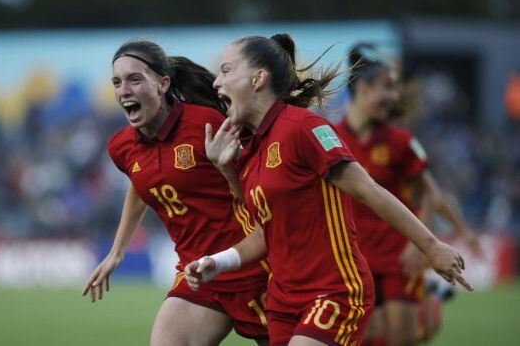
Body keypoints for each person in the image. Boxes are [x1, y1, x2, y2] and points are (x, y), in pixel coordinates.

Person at [183, 34, 472, 346]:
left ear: (258, 78)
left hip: (335, 291)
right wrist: (220, 260)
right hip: (281, 302)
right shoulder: (250, 149)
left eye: (226, 71)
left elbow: (369, 191)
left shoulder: (304, 128)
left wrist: (430, 246)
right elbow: (267, 232)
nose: (216, 83)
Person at [81, 39, 270, 346]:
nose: (123, 90)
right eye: (116, 82)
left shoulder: (206, 123)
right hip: (198, 274)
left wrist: (226, 168)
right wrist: (117, 251)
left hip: (252, 267)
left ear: (163, 84)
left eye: (134, 79)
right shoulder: (121, 147)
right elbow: (142, 185)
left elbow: (258, 184)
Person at [335, 44, 483, 346]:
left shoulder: (401, 141)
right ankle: (431, 302)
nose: (394, 97)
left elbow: (431, 194)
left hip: (397, 256)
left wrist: (422, 245)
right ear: (363, 88)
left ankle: (429, 303)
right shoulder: (330, 137)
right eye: (387, 88)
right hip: (352, 257)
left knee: (401, 339)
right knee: (365, 339)